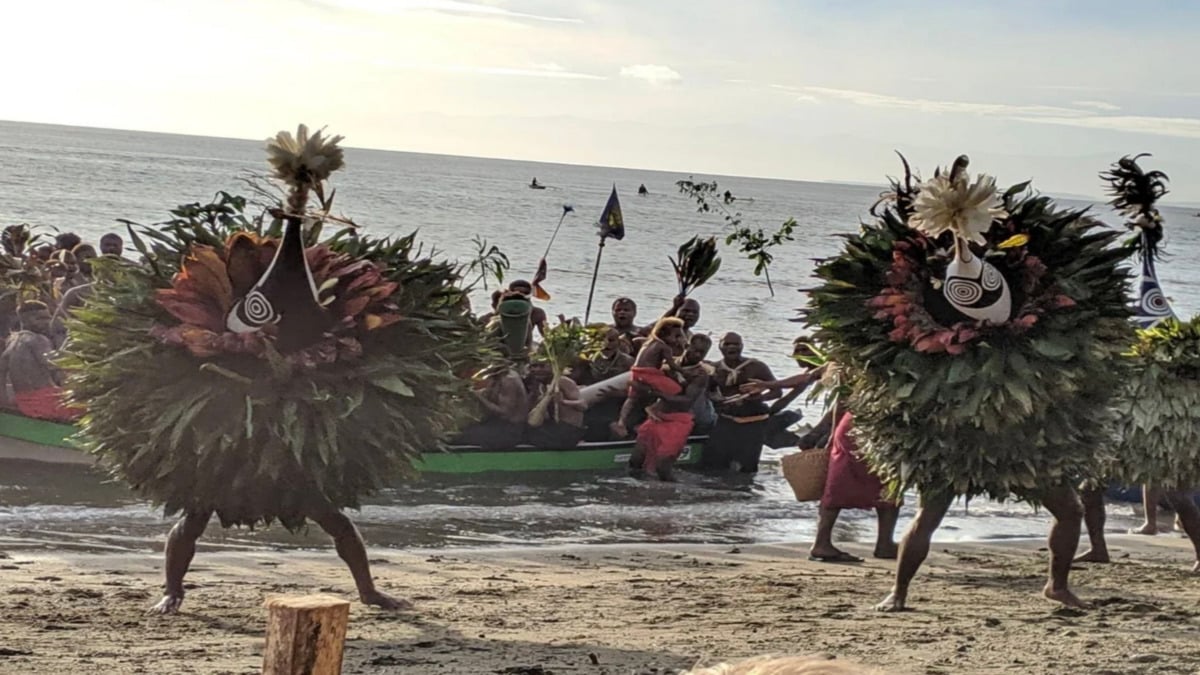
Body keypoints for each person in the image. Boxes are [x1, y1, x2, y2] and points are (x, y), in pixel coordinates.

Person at [620, 341, 710, 481]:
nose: (697, 355)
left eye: (702, 353)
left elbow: (686, 400)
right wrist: (649, 405)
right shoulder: (668, 364)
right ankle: (633, 492)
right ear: (686, 346)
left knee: (662, 466)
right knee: (636, 460)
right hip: (657, 416)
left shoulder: (700, 375)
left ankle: (671, 492)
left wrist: (654, 392)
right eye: (695, 350)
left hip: (678, 421)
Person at [701, 332, 776, 473]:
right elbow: (707, 392)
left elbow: (776, 391)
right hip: (726, 421)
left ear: (742, 346)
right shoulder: (715, 369)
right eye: (727, 344)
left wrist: (759, 397)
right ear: (720, 347)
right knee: (714, 465)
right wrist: (717, 399)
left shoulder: (757, 366)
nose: (732, 347)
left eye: (736, 344)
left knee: (748, 467)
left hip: (753, 423)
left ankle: (744, 493)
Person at [0, 301, 79, 422]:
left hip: (24, 401)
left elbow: (2, 370)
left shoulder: (12, 340)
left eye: (48, 318)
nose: (46, 322)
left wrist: (4, 399)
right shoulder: (38, 339)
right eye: (40, 318)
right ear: (24, 320)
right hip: (45, 401)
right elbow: (55, 364)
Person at [451, 365, 528, 449]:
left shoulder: (508, 379)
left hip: (509, 430)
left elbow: (505, 413)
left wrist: (478, 396)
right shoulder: (495, 377)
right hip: (496, 425)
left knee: (454, 437)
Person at [525, 361, 587, 448]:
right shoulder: (541, 386)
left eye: (542, 366)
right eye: (534, 366)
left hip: (569, 431)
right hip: (555, 428)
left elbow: (583, 405)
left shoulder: (563, 381)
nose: (537, 369)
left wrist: (563, 402)